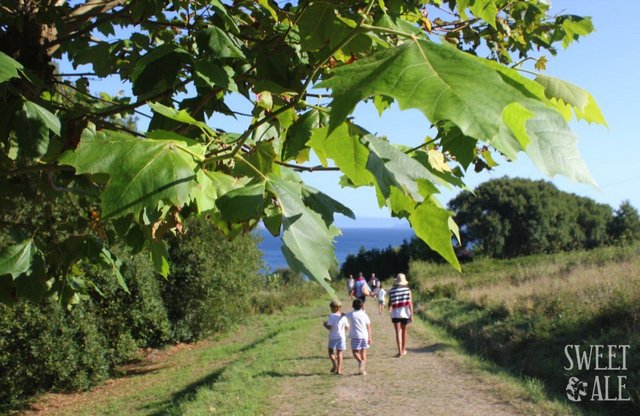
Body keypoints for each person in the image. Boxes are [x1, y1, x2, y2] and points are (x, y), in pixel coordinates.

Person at [388, 273, 413, 357]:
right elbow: (410, 304)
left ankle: (400, 352)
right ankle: (403, 349)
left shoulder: (391, 290)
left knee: (398, 332)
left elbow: (389, 303)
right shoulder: (408, 290)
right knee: (404, 331)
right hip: (405, 313)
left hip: (395, 313)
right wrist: (412, 315)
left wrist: (390, 308)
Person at [323, 300, 350, 375]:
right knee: (340, 353)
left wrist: (325, 324)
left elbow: (329, 326)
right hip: (341, 337)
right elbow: (347, 327)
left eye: (331, 308)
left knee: (331, 351)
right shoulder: (343, 316)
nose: (330, 310)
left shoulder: (332, 316)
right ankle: (339, 370)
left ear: (334, 308)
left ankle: (334, 365)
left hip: (333, 337)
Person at [346, 298, 372, 375]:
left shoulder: (351, 314)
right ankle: (363, 370)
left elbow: (343, 314)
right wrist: (370, 337)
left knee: (355, 351)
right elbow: (369, 326)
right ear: (362, 306)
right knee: (363, 351)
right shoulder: (364, 314)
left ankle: (361, 362)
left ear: (353, 306)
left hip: (356, 336)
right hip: (365, 336)